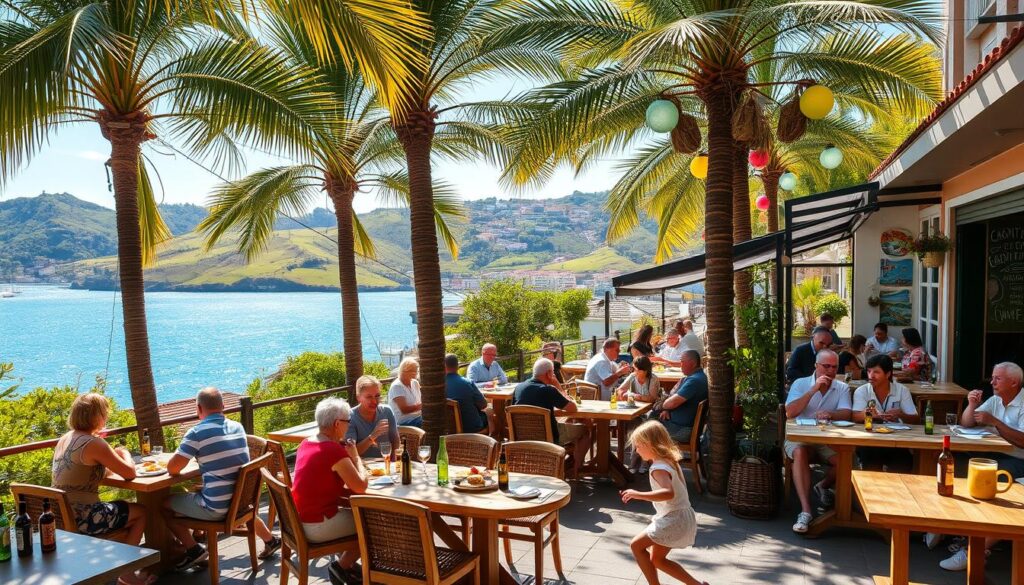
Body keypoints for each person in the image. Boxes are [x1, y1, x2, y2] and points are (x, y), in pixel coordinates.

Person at [164, 388, 281, 571]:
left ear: (198, 408)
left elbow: (173, 468)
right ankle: (271, 540)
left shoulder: (196, 433)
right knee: (223, 493)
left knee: (165, 504)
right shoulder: (237, 427)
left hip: (217, 509)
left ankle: (193, 549)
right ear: (223, 406)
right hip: (241, 501)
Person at [51, 393, 153, 585]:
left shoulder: (65, 439)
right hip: (85, 518)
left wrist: (111, 460)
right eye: (104, 412)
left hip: (61, 517)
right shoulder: (93, 443)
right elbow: (129, 473)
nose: (106, 416)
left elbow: (91, 471)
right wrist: (124, 453)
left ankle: (121, 563)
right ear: (96, 416)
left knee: (124, 509)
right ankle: (127, 572)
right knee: (141, 512)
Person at [933, 362, 1024, 571]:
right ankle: (948, 525)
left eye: (997, 378)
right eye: (992, 377)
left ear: (1014, 383)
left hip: (1018, 460)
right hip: (993, 453)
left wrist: (996, 422)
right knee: (954, 468)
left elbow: (1022, 441)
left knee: (986, 483)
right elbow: (966, 423)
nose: (992, 382)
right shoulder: (996, 400)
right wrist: (972, 404)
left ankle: (974, 549)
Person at [291, 398, 367, 585]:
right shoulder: (332, 450)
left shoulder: (306, 443)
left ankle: (348, 568)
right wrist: (356, 457)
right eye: (348, 421)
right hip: (317, 525)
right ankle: (341, 566)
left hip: (298, 521)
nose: (349, 425)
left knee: (360, 515)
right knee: (373, 523)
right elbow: (361, 486)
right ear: (337, 424)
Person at [620, 421, 706, 585]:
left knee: (636, 546)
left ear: (650, 444)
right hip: (680, 515)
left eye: (638, 446)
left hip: (674, 518)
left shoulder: (658, 468)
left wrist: (638, 494)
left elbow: (668, 492)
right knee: (657, 560)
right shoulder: (669, 460)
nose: (636, 450)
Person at [784, 350, 852, 533]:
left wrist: (831, 414)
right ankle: (806, 511)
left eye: (834, 367)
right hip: (800, 437)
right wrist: (813, 389)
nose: (830, 371)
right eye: (826, 366)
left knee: (846, 460)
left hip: (826, 439)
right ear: (816, 366)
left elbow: (847, 413)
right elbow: (790, 412)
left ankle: (823, 486)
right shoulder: (801, 383)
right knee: (799, 452)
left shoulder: (842, 387)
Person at [513, 358, 590, 477]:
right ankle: (576, 469)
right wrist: (558, 385)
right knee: (585, 430)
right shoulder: (548, 390)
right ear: (549, 373)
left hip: (522, 437)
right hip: (549, 436)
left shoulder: (519, 388)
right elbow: (573, 408)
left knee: (568, 421)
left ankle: (568, 463)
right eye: (553, 372)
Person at [851, 354, 918, 470]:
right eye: (869, 371)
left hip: (896, 440)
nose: (871, 376)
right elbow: (854, 417)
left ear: (888, 374)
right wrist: (868, 414)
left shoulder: (902, 390)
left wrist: (901, 415)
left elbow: (916, 419)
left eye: (876, 372)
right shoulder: (862, 391)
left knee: (904, 463)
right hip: (870, 440)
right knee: (870, 461)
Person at [615, 356, 662, 472]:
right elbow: (619, 390)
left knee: (641, 428)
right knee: (632, 426)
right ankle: (635, 462)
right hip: (636, 411)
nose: (634, 371)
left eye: (636, 369)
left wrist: (634, 396)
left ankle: (641, 463)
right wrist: (622, 394)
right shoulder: (632, 377)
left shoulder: (653, 379)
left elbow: (651, 398)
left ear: (645, 370)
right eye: (634, 369)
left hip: (650, 412)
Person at [345, 376, 401, 458]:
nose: (374, 401)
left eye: (377, 396)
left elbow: (395, 440)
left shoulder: (386, 411)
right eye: (369, 397)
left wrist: (393, 461)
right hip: (362, 464)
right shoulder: (350, 417)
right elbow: (351, 452)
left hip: (386, 462)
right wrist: (373, 436)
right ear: (358, 398)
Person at [657, 351, 707, 443]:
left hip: (681, 430)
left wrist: (664, 406)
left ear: (693, 363)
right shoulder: (698, 377)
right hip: (678, 425)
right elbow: (672, 396)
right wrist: (667, 409)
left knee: (644, 427)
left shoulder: (694, 381)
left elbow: (670, 403)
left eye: (682, 362)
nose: (680, 365)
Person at [444, 353, 494, 434]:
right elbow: (483, 405)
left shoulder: (437, 387)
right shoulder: (467, 383)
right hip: (471, 428)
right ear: (457, 366)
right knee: (489, 411)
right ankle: (493, 437)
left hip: (448, 430)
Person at [387, 357, 423, 428]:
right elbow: (404, 410)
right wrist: (423, 406)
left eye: (416, 371)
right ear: (405, 371)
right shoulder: (397, 386)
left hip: (417, 417)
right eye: (413, 371)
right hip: (403, 423)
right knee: (428, 421)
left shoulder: (415, 383)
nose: (416, 373)